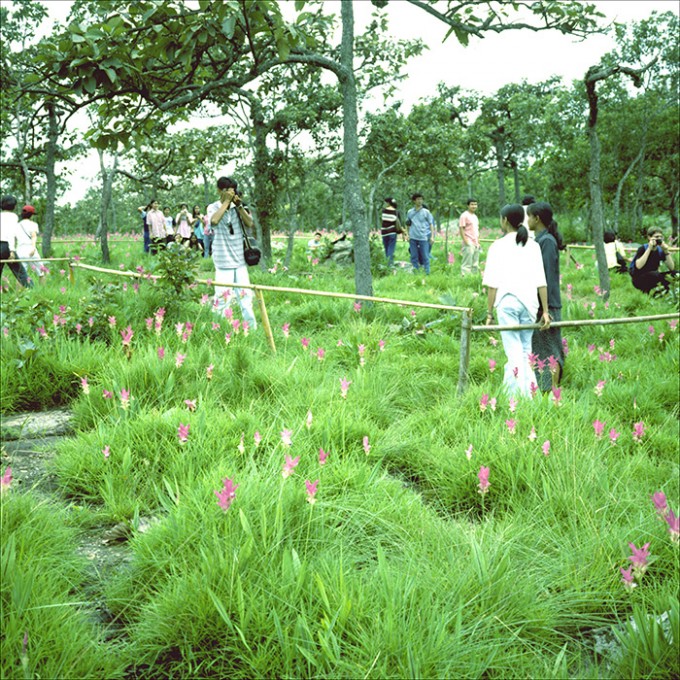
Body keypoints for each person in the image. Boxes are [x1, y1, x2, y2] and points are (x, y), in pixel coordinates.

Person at [483, 204, 550, 397]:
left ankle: (524, 399)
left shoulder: (497, 246)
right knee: (524, 351)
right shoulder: (534, 245)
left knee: (514, 354)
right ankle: (512, 394)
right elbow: (541, 282)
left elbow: (492, 284)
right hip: (529, 304)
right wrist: (544, 311)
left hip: (507, 303)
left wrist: (489, 312)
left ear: (504, 220)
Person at [207, 177, 257, 329]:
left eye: (233, 191)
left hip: (240, 260)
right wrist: (226, 203)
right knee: (222, 298)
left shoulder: (239, 207)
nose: (231, 193)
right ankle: (217, 329)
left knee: (246, 297)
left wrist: (239, 206)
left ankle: (251, 329)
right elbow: (214, 222)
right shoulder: (213, 207)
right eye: (227, 191)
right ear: (219, 191)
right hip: (223, 262)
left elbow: (250, 223)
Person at [527, 201, 565, 391]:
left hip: (548, 305)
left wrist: (545, 309)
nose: (527, 220)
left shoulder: (547, 242)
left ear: (537, 218)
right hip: (543, 305)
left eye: (529, 216)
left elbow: (547, 277)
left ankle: (553, 390)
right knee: (541, 349)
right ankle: (545, 390)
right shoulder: (541, 240)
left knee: (551, 349)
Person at [630, 227, 676, 295]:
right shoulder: (643, 248)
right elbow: (639, 266)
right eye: (656, 237)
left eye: (661, 237)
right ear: (649, 237)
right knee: (654, 274)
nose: (659, 239)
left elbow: (671, 267)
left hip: (654, 275)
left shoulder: (660, 250)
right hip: (639, 278)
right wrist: (649, 248)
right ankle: (648, 292)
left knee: (675, 274)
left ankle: (662, 293)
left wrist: (666, 251)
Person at [0, 195, 31, 288]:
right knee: (20, 271)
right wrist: (12, 251)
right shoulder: (13, 217)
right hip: (6, 246)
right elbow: (10, 234)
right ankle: (30, 289)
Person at [406, 193, 435, 274]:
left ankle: (427, 273)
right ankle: (416, 272)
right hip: (413, 237)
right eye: (418, 199)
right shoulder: (410, 212)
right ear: (414, 201)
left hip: (423, 237)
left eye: (421, 199)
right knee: (414, 256)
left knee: (425, 256)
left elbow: (431, 224)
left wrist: (432, 236)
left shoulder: (426, 212)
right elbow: (408, 224)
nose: (420, 201)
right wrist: (407, 235)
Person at [16, 205, 44, 283]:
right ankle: (43, 290)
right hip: (31, 249)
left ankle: (18, 294)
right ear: (31, 215)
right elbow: (33, 237)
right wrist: (33, 248)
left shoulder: (17, 225)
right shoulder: (33, 224)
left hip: (20, 250)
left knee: (20, 275)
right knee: (41, 272)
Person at [459, 198, 481, 276]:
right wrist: (466, 241)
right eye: (472, 204)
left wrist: (478, 241)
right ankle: (465, 279)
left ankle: (473, 278)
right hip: (468, 241)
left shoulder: (475, 216)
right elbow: (461, 228)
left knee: (475, 262)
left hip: (475, 242)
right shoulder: (464, 215)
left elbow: (476, 230)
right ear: (468, 205)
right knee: (467, 263)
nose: (474, 206)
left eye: (475, 204)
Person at [380, 197, 403, 266]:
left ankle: (387, 263)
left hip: (384, 232)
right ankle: (390, 264)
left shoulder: (383, 211)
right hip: (392, 232)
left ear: (388, 203)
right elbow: (399, 223)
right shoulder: (396, 212)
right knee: (391, 249)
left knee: (386, 248)